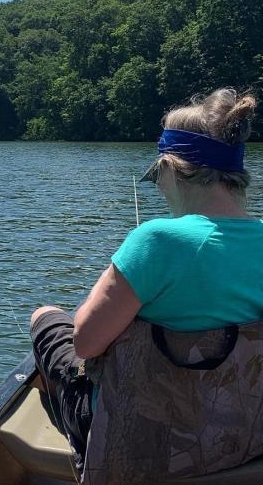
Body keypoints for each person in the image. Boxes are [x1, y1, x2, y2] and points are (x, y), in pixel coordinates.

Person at [28, 88, 262, 478]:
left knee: (48, 318)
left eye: (156, 174)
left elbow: (85, 344)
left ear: (171, 167)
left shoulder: (157, 240)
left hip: (139, 451)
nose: (157, 184)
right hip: (244, 446)